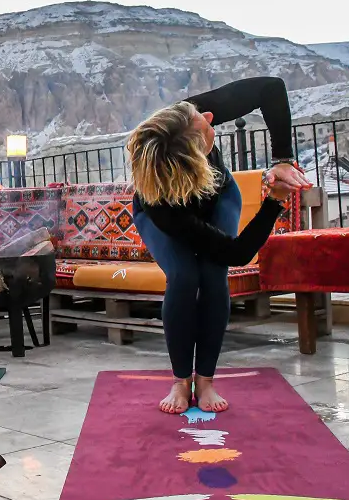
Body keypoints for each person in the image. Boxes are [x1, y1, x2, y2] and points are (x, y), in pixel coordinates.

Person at [126, 76, 310, 415]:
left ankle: (206, 379)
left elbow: (270, 88)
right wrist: (274, 202)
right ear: (191, 158)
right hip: (166, 209)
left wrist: (283, 162)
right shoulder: (161, 206)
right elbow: (236, 250)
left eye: (203, 116)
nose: (210, 119)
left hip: (218, 195)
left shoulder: (184, 117)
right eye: (205, 129)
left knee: (213, 274)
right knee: (184, 276)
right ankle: (181, 380)